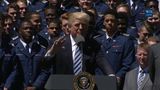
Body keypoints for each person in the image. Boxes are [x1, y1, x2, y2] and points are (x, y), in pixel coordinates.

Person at [45, 12, 114, 75]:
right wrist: (52, 53)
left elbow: (102, 60)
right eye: (77, 25)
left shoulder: (93, 44)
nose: (81, 28)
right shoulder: (58, 42)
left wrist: (111, 74)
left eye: (84, 25)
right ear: (69, 27)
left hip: (85, 85)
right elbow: (45, 65)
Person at [4, 20, 50, 90]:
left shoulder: (41, 50)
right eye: (25, 28)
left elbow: (45, 70)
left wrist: (36, 86)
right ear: (19, 31)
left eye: (31, 28)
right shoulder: (13, 49)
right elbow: (11, 71)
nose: (29, 30)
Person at [95, 10, 135, 89]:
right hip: (98, 81)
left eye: (112, 20)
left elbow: (128, 63)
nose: (109, 23)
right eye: (107, 20)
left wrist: (118, 76)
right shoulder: (97, 40)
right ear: (103, 23)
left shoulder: (125, 41)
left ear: (117, 23)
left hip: (116, 82)